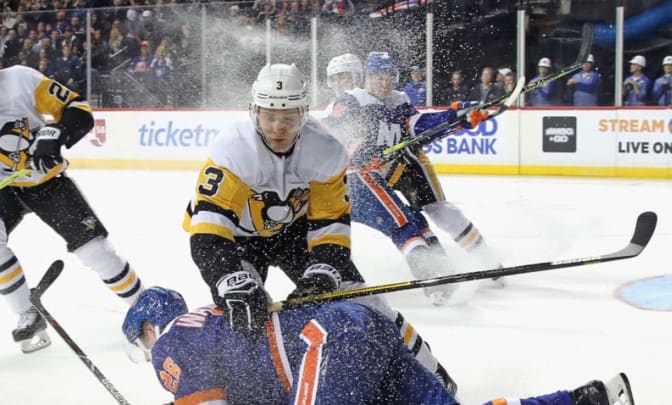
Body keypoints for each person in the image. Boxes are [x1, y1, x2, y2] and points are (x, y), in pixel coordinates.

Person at [185, 62, 457, 394]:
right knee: (243, 320)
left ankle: (432, 375)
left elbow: (331, 222)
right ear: (253, 111)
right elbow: (208, 231)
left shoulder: (325, 147)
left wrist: (325, 268)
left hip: (294, 235)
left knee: (369, 305)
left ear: (304, 113)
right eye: (269, 116)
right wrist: (227, 278)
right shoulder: (233, 147)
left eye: (289, 117)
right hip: (238, 241)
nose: (277, 127)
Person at [123, 286, 637, 405]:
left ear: (149, 327)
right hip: (358, 330)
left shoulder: (170, 346)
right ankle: (585, 399)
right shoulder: (208, 317)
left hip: (326, 345)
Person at [325, 52, 503, 306]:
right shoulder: (352, 101)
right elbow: (327, 134)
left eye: (390, 77)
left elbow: (421, 125)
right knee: (403, 225)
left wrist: (459, 116)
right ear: (367, 77)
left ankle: (449, 272)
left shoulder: (399, 101)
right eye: (378, 77)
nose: (385, 83)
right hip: (357, 178)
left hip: (392, 168)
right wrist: (354, 156)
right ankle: (432, 279)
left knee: (420, 218)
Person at [0, 65, 145, 353]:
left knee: (94, 250)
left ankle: (144, 305)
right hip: (3, 189)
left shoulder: (20, 80)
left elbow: (77, 108)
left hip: (45, 180)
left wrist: (58, 131)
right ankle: (26, 312)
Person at [323, 52, 363, 117]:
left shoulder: (365, 100)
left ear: (356, 79)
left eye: (342, 78)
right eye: (334, 79)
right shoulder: (330, 107)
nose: (337, 84)